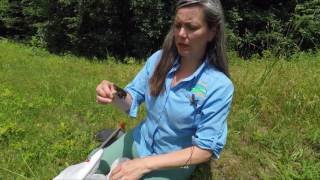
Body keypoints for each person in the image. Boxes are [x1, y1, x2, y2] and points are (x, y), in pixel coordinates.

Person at [95, 0, 234, 179]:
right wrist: (114, 94)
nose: (181, 34)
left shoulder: (219, 86)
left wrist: (143, 164)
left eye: (191, 27)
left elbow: (203, 151)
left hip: (171, 162)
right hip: (139, 140)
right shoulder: (159, 60)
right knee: (92, 167)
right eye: (178, 26)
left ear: (212, 32)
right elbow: (132, 99)